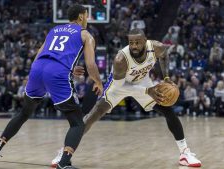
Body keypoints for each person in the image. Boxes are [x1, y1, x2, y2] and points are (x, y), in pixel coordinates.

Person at [52, 28, 201, 167]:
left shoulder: (156, 47)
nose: (134, 46)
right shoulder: (120, 59)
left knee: (167, 110)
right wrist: (147, 91)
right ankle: (64, 152)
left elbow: (164, 56)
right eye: (131, 42)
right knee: (93, 115)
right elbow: (119, 87)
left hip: (142, 82)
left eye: (137, 42)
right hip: (119, 86)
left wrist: (166, 76)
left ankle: (185, 153)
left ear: (145, 41)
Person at [0, 4, 103, 169]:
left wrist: (64, 68)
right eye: (87, 16)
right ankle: (64, 163)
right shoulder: (85, 35)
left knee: (24, 112)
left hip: (37, 69)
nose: (87, 20)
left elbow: (39, 56)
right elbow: (90, 64)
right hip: (56, 73)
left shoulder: (54, 31)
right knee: (77, 122)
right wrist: (98, 81)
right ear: (81, 16)